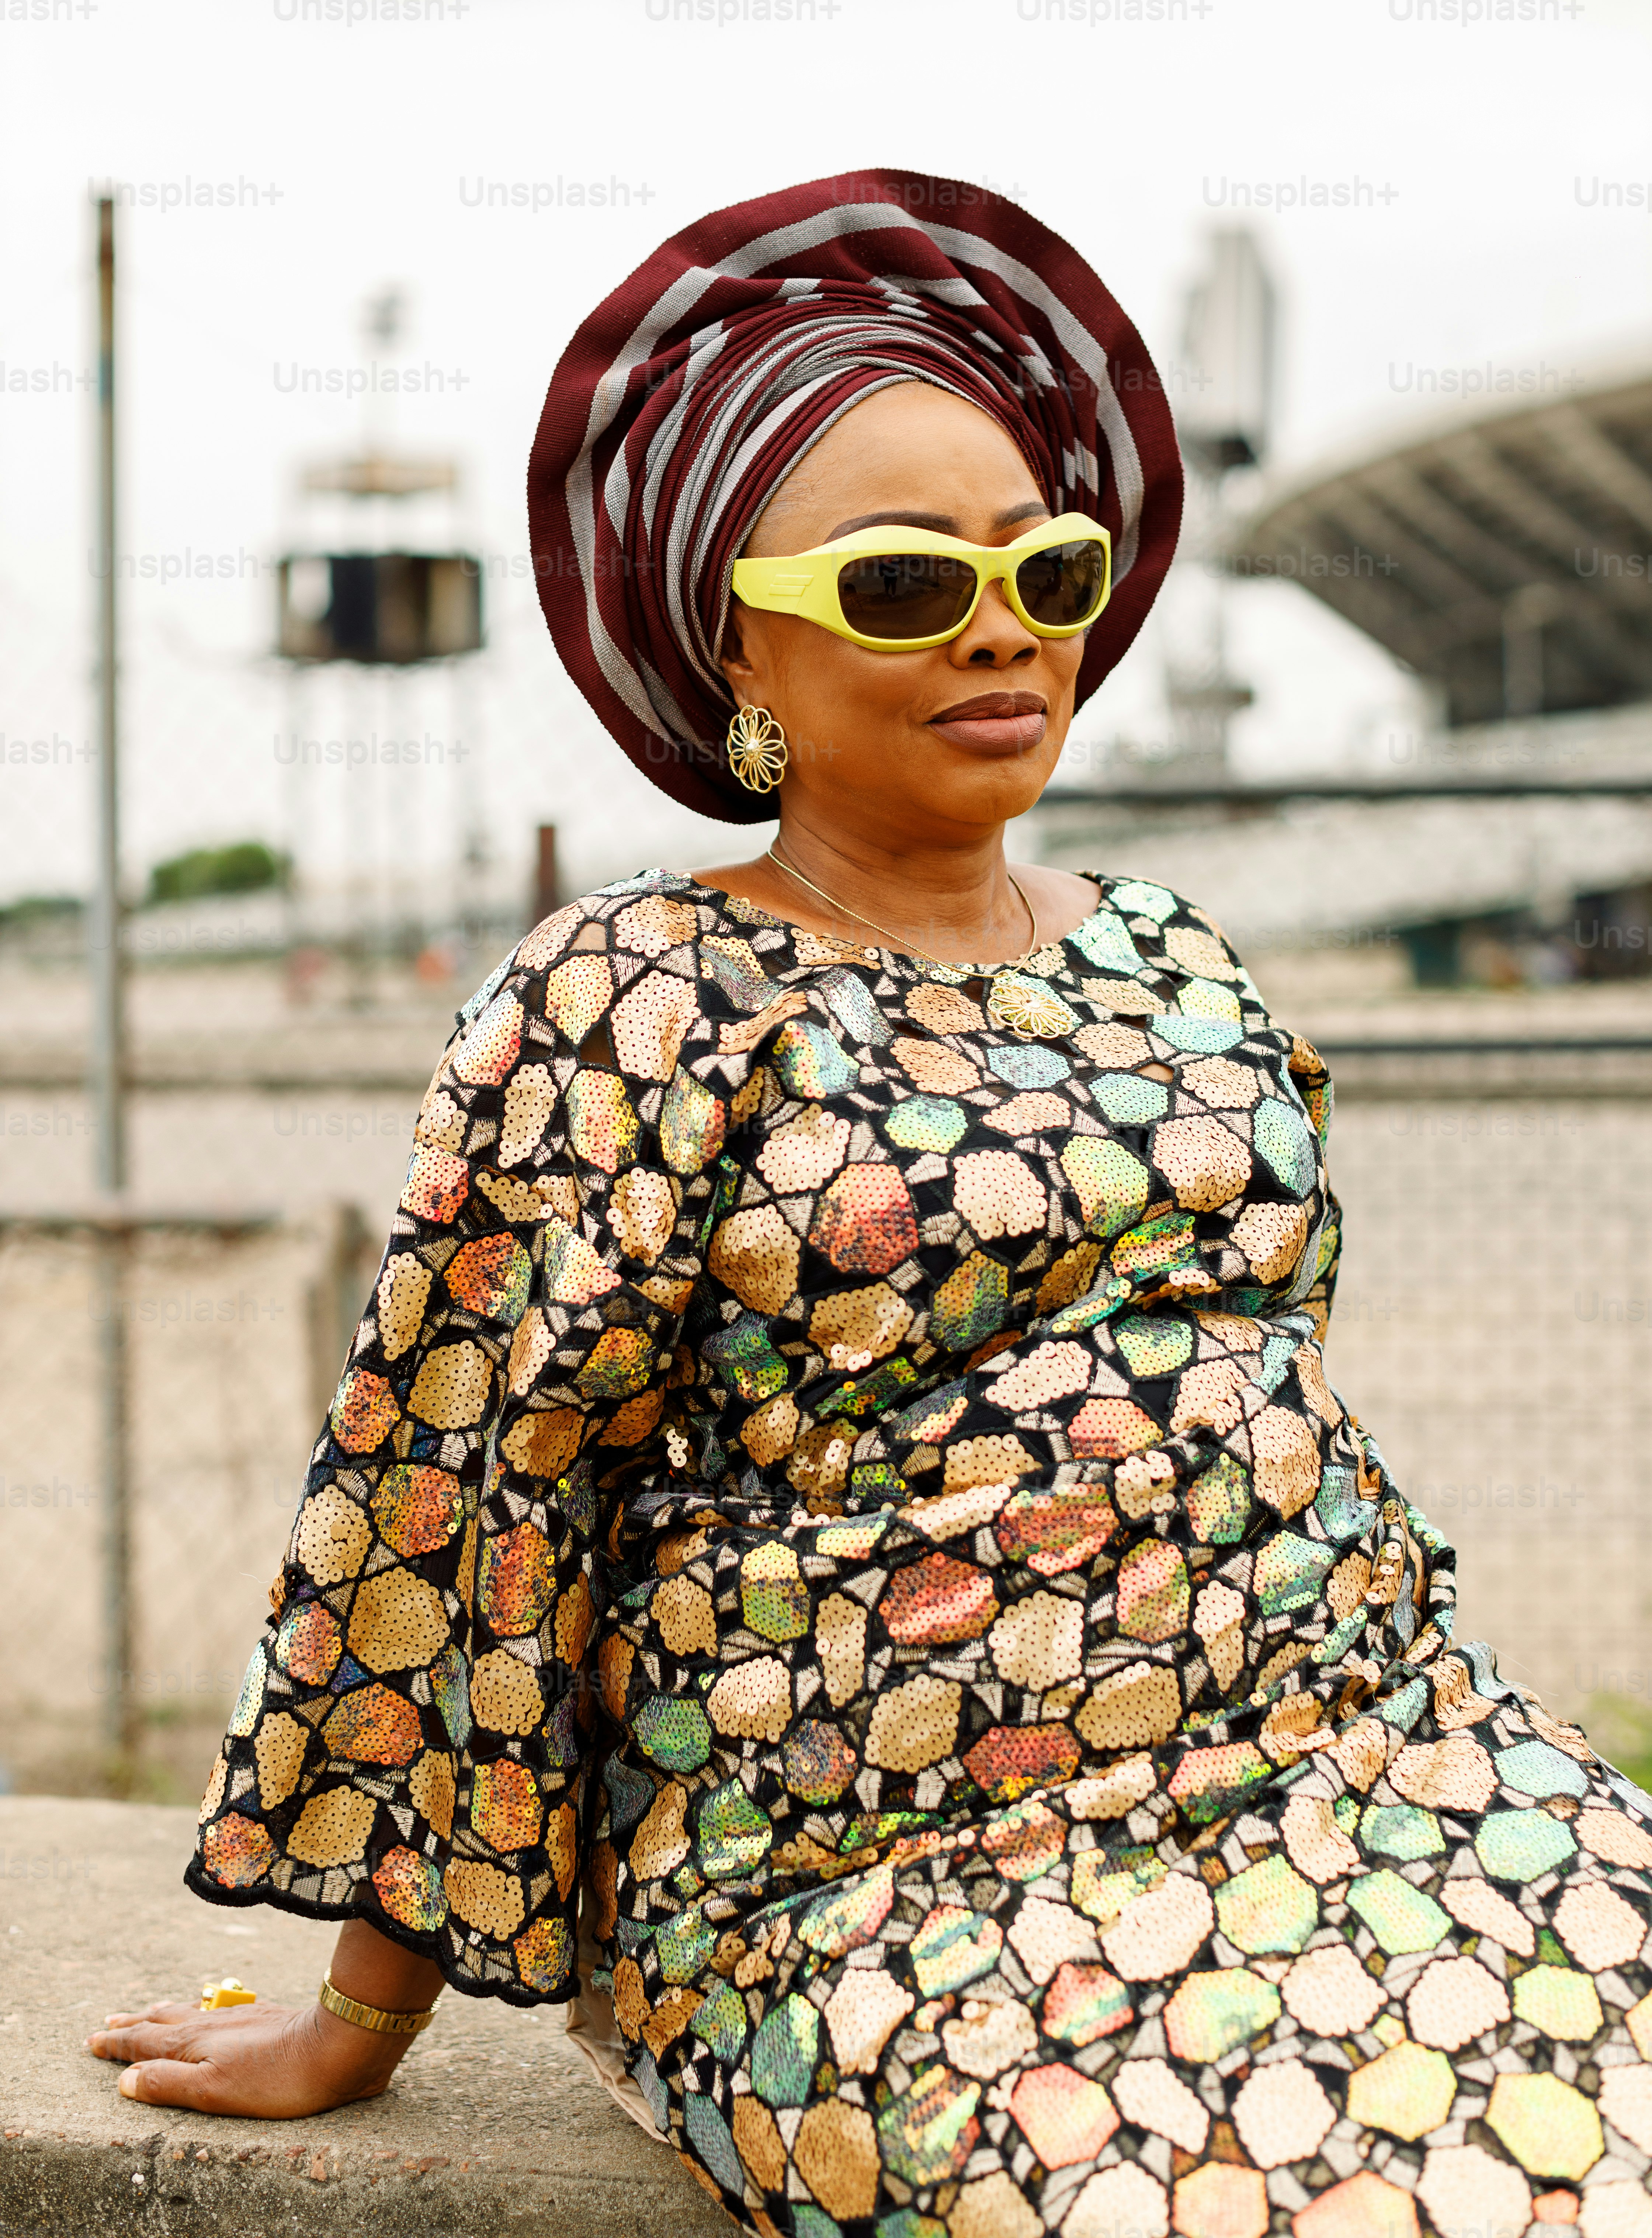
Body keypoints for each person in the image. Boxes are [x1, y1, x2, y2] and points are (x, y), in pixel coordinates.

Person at [93, 172, 1652, 2237]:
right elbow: (466, 1505)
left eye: (1048, 567)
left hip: (1377, 1768)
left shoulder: (1180, 953)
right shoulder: (635, 998)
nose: (1003, 625)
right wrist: (359, 2020)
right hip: (889, 1879)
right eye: (904, 586)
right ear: (738, 638)